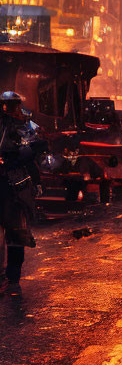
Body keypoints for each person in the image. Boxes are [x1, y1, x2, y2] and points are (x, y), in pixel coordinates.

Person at [0, 91, 46, 289]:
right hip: (7, 182)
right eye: (9, 105)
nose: (13, 109)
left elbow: (33, 152)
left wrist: (36, 180)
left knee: (17, 231)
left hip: (16, 184)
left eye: (15, 105)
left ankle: (13, 275)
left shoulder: (25, 125)